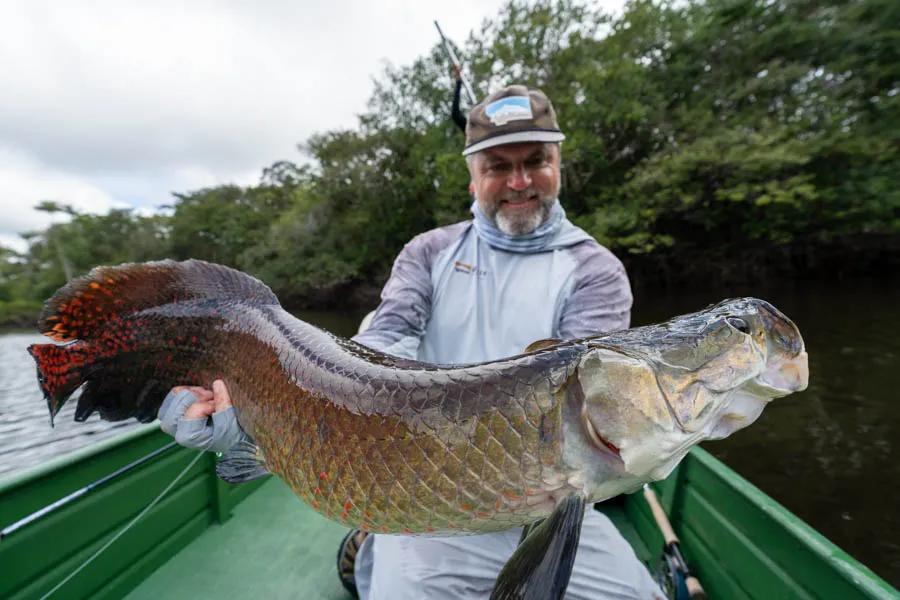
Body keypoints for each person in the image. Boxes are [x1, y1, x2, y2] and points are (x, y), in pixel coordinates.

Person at [158, 85, 663, 599]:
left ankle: (370, 536)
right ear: (473, 179)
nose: (518, 181)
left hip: (555, 500)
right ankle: (374, 535)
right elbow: (376, 352)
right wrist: (254, 421)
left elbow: (592, 405)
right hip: (425, 494)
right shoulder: (428, 253)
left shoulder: (596, 270)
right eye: (496, 166)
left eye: (536, 161)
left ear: (559, 166)